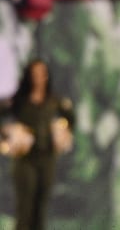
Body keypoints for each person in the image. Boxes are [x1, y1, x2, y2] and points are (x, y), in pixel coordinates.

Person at [0, 59, 74, 230]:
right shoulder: (19, 100)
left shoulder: (53, 100)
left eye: (42, 73)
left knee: (41, 208)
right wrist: (8, 135)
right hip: (25, 159)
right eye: (35, 74)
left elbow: (70, 118)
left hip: (47, 157)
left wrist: (63, 134)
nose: (39, 78)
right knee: (25, 207)